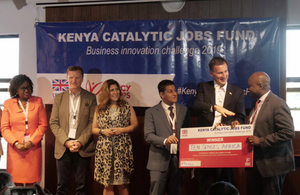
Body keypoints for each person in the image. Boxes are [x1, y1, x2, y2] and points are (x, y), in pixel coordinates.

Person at [192, 56, 246, 195]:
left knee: (226, 180)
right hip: (205, 141)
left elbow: (240, 116)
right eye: (220, 73)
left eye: (226, 71)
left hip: (227, 141)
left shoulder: (237, 92)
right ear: (211, 74)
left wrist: (229, 124)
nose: (224, 75)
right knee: (205, 179)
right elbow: (197, 106)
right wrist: (215, 107)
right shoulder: (204, 87)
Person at [245, 72, 295, 195]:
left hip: (272, 165)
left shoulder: (278, 104)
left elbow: (288, 132)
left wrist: (261, 141)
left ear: (260, 86)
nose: (248, 89)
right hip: (256, 164)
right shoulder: (255, 103)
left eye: (250, 86)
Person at [50, 66, 97, 195]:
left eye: (77, 77)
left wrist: (80, 141)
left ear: (82, 79)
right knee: (62, 187)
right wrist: (66, 141)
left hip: (82, 146)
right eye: (71, 77)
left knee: (82, 187)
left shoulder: (90, 97)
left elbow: (92, 123)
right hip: (63, 145)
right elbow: (53, 123)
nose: (74, 80)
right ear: (67, 79)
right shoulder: (59, 98)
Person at [144, 79, 190, 195]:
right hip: (159, 159)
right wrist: (165, 140)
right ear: (162, 95)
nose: (175, 94)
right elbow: (148, 135)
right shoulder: (151, 112)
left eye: (175, 90)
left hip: (179, 159)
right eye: (170, 91)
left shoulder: (184, 110)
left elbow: (188, 133)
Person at [92, 79, 138, 195]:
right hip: (105, 150)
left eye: (117, 89)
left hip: (122, 150)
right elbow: (94, 129)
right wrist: (103, 131)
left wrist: (122, 130)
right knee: (108, 185)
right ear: (106, 92)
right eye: (111, 90)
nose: (115, 92)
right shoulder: (99, 109)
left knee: (122, 184)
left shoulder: (126, 106)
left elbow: (135, 125)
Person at [1, 74, 47, 186]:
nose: (27, 90)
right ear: (15, 89)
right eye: (23, 88)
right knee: (16, 183)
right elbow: (4, 128)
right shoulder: (8, 104)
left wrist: (31, 142)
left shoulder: (38, 101)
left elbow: (43, 125)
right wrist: (16, 143)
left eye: (28, 87)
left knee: (32, 183)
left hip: (33, 148)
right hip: (15, 150)